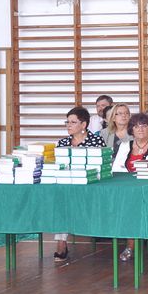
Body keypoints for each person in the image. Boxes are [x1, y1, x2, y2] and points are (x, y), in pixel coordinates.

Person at [53, 106, 106, 262]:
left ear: (83, 124)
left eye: (73, 122)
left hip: (90, 185)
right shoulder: (62, 142)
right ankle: (61, 242)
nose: (69, 125)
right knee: (60, 201)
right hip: (68, 185)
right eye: (67, 122)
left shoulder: (96, 141)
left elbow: (100, 165)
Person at [111, 113, 148, 262]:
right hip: (128, 189)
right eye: (136, 126)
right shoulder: (125, 145)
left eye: (144, 125)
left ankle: (131, 245)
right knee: (126, 205)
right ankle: (131, 243)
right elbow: (117, 168)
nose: (140, 129)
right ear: (131, 129)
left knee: (133, 207)